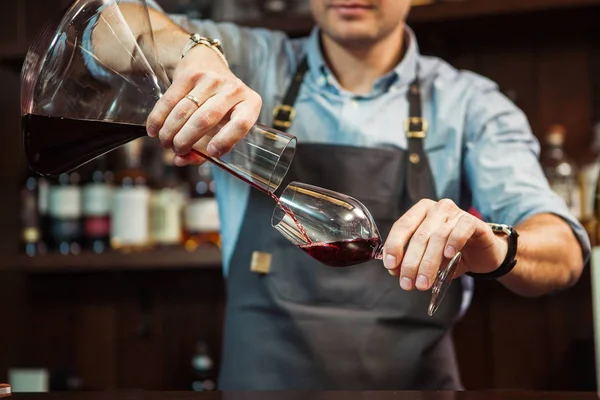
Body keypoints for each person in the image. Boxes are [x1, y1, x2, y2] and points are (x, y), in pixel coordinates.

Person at [95, 0, 590, 390]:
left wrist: (496, 246)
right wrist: (195, 53)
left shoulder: (470, 103)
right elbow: (103, 29)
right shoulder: (247, 61)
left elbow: (564, 252)